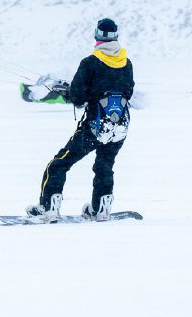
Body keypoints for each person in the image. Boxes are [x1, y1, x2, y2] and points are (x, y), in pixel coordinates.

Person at [25, 18, 135, 222]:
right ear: (116, 36)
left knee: (59, 164)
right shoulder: (126, 62)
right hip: (120, 127)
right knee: (104, 166)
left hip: (94, 127)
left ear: (97, 36)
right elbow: (128, 91)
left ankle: (49, 208)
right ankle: (101, 210)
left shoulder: (90, 62)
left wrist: (69, 93)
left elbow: (77, 98)